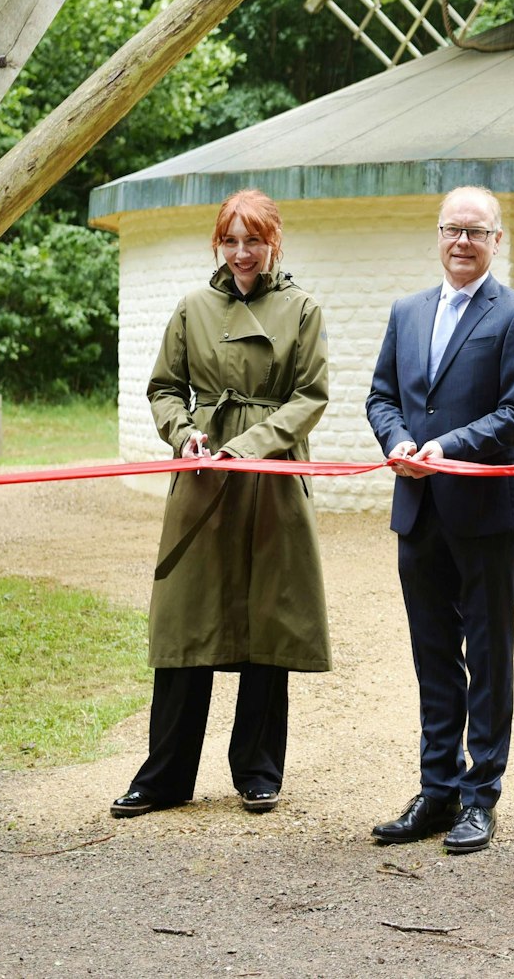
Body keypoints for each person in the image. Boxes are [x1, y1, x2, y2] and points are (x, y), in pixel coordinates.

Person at [113, 188, 331, 820]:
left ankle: (258, 771)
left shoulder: (303, 310)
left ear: (273, 242)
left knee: (268, 616)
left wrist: (253, 445)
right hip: (204, 481)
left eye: (253, 241)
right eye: (231, 240)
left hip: (272, 479)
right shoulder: (191, 308)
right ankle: (165, 777)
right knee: (187, 621)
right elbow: (163, 388)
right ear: (219, 242)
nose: (242, 253)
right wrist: (185, 432)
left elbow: (310, 395)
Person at [366, 185, 514, 855]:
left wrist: (446, 448)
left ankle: (481, 794)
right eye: (452, 229)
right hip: (418, 510)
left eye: (476, 231)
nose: (462, 241)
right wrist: (397, 442)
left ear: (497, 241)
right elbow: (382, 395)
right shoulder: (407, 311)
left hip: (484, 513)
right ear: (438, 236)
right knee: (434, 657)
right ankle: (436, 789)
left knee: (489, 655)